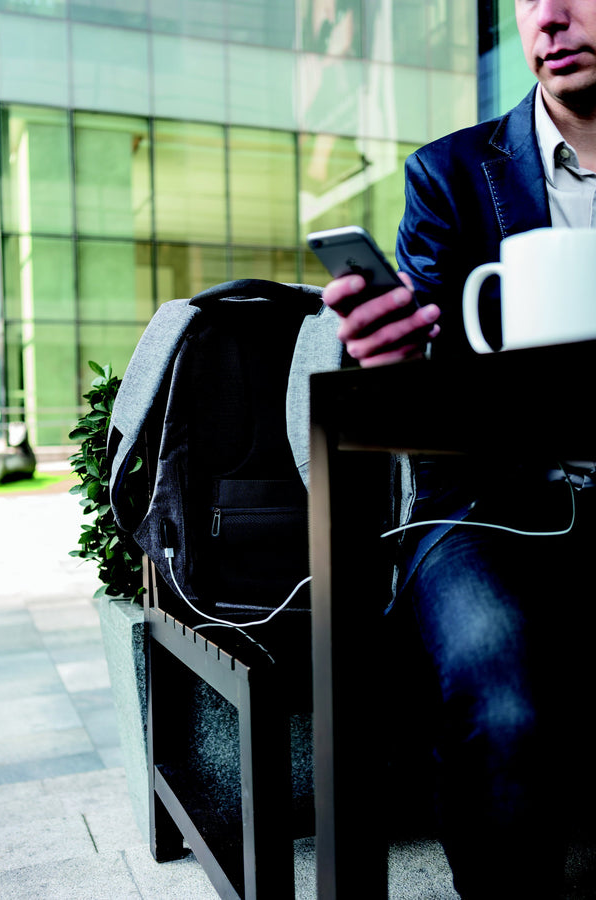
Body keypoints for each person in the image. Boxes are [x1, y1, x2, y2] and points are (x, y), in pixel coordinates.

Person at [317, 1, 596, 897]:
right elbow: (422, 338)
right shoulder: (450, 172)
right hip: (483, 505)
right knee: (499, 693)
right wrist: (390, 355)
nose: (548, 17)